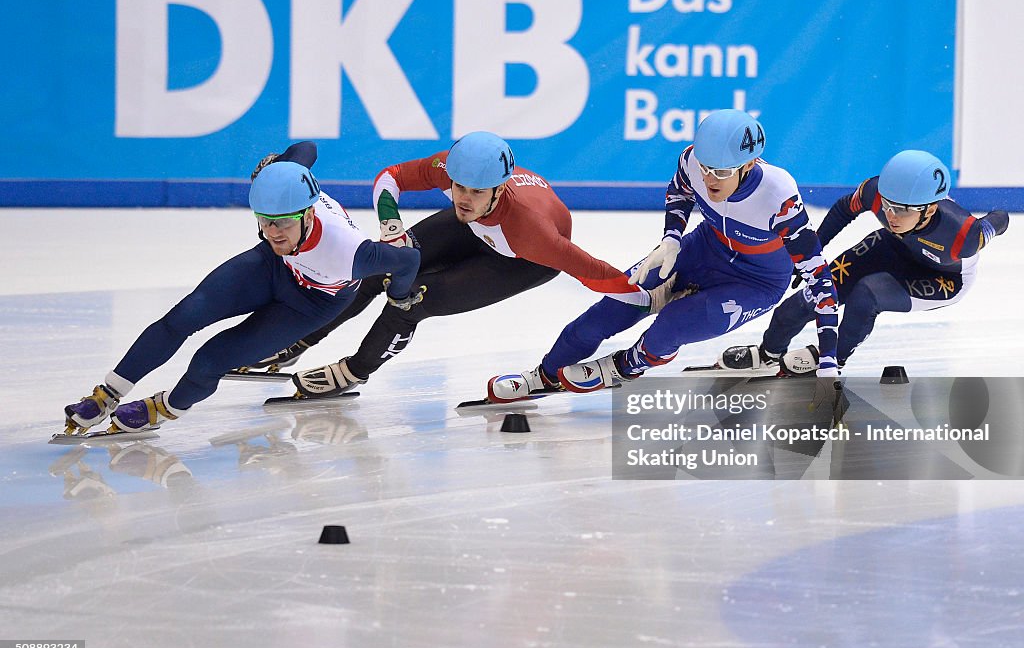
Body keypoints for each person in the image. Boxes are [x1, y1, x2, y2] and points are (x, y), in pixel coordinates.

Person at [262, 131, 675, 399]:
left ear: (498, 188)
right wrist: (391, 225)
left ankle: (355, 370)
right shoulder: (455, 175)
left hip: (519, 258)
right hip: (477, 228)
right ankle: (301, 337)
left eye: (475, 191)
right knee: (377, 268)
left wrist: (649, 297)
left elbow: (594, 272)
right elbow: (390, 177)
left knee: (410, 303)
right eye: (458, 186)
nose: (462, 196)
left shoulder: (530, 232)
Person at [62, 142, 421, 435]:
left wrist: (400, 296)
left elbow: (407, 261)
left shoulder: (349, 252)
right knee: (184, 316)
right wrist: (278, 164)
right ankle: (108, 392)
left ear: (309, 215)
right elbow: (307, 148)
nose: (273, 232)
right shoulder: (282, 208)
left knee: (209, 361)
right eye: (263, 222)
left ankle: (166, 407)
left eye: (281, 224)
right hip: (272, 266)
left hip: (312, 303)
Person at [488, 109, 840, 400]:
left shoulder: (778, 196)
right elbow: (679, 192)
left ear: (749, 165)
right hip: (703, 249)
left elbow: (821, 283)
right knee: (611, 306)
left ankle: (629, 365)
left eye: (721, 172)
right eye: (705, 167)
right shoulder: (691, 161)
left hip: (756, 282)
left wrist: (828, 360)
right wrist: (671, 238)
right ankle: (544, 374)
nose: (710, 178)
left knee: (673, 323)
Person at [718, 149, 1009, 374]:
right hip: (891, 248)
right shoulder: (874, 192)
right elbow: (845, 209)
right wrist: (812, 253)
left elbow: (1002, 218)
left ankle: (832, 358)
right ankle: (768, 353)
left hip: (944, 279)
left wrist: (989, 224)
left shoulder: (964, 235)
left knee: (867, 294)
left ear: (930, 209)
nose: (891, 216)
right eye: (888, 206)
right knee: (811, 296)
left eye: (902, 210)